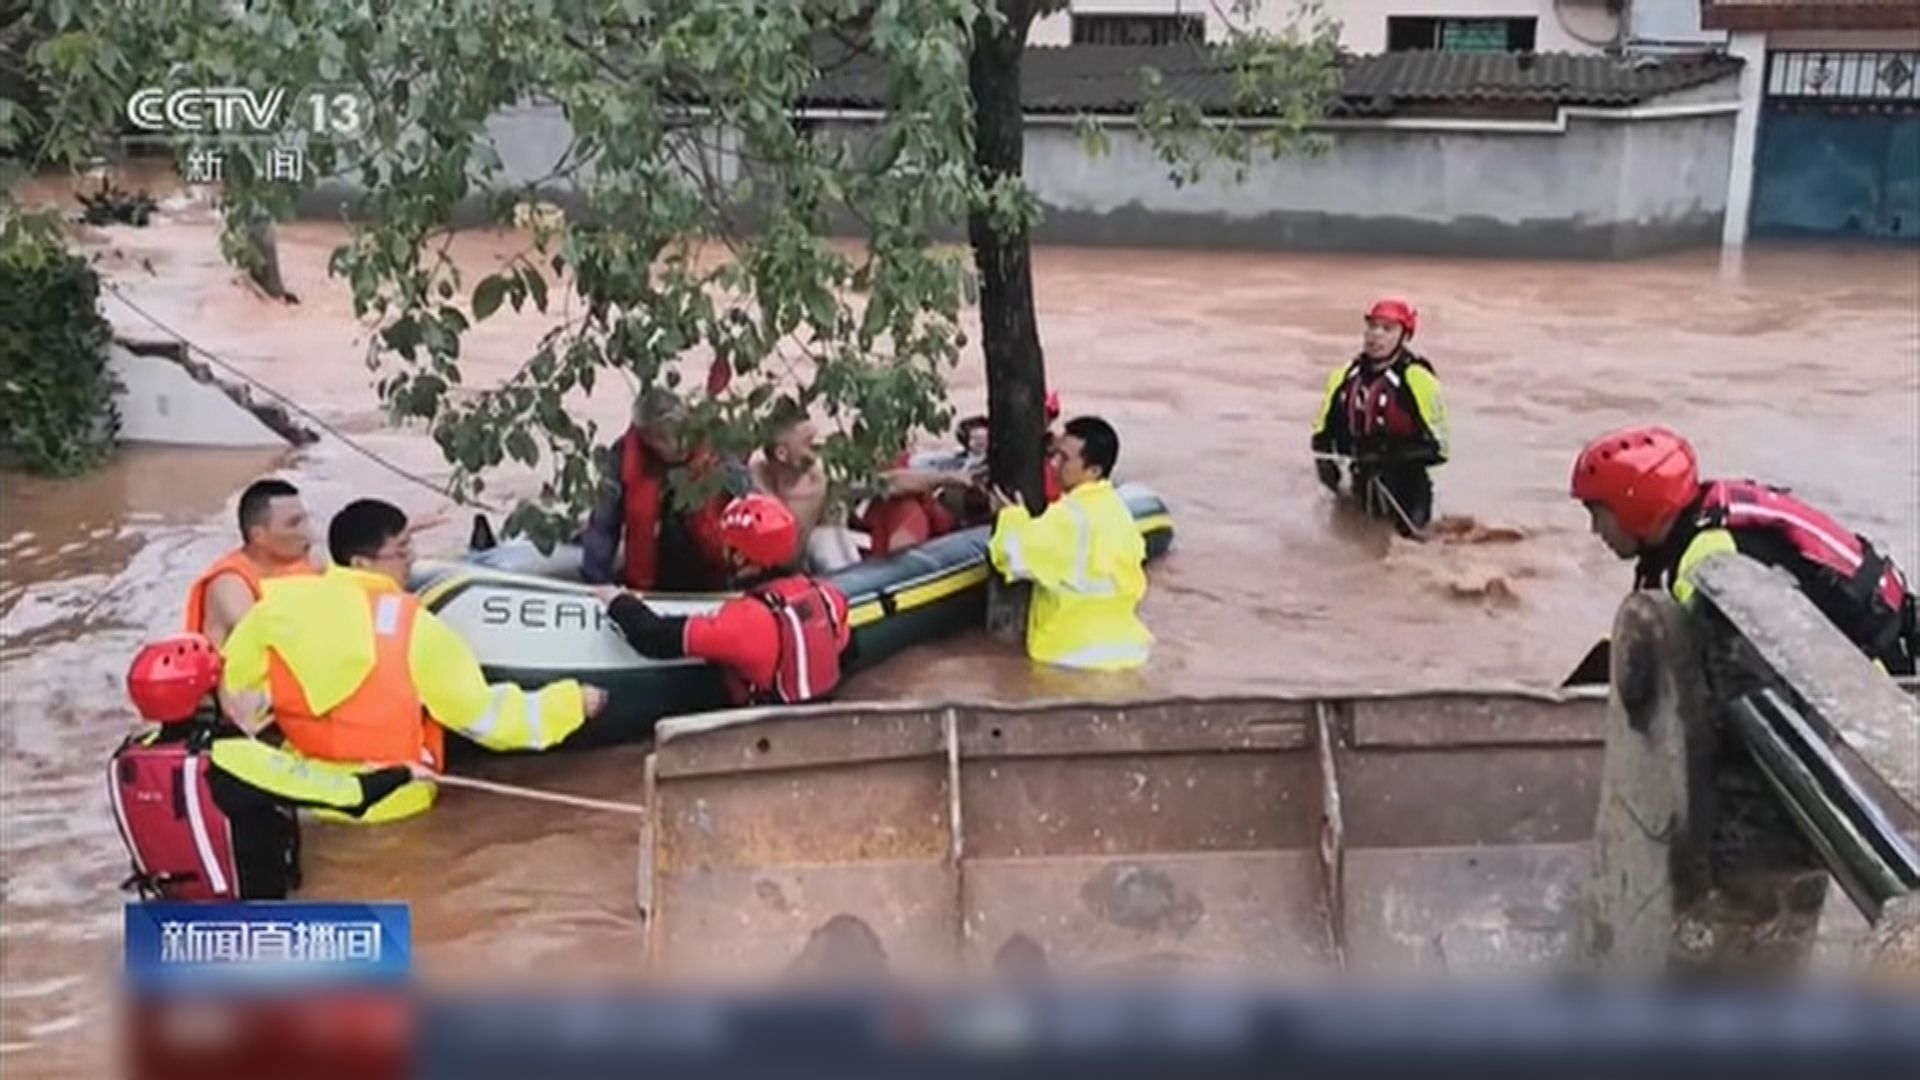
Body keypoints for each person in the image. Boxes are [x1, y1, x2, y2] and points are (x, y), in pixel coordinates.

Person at [221, 499, 609, 822]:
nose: (411, 561)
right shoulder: (412, 627)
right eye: (401, 551)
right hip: (393, 805)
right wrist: (571, 703)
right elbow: (483, 717)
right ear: (361, 563)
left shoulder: (278, 611)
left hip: (307, 797)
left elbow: (231, 696)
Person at [1571, 425, 1917, 676]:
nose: (1595, 530)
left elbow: (1709, 663)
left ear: (1637, 505)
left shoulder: (1711, 559)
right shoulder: (1684, 529)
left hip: (1874, 674)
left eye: (1599, 515)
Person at [109, 634, 417, 900]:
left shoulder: (127, 757)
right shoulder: (234, 756)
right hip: (252, 909)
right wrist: (404, 772)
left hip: (170, 911)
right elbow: (351, 797)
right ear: (206, 696)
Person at [597, 494, 852, 705]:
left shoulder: (745, 621)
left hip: (768, 735)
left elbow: (653, 637)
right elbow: (845, 648)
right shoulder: (828, 596)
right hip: (820, 717)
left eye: (728, 547)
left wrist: (617, 601)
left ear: (741, 558)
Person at [987, 415, 1152, 671]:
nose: (1053, 464)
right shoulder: (1118, 511)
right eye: (1055, 454)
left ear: (1093, 470)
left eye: (1064, 458)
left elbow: (1012, 557)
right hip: (1130, 652)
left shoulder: (1069, 517)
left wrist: (1010, 516)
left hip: (1071, 656)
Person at [581, 386, 749, 591]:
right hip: (650, 579)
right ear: (646, 438)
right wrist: (596, 581)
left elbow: (747, 502)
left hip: (712, 574)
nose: (674, 444)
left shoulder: (718, 446)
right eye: (659, 437)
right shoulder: (624, 455)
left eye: (676, 433)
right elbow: (604, 521)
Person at [1311, 298, 1450, 536]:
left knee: (1410, 556)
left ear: (1404, 337)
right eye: (1372, 326)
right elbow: (1322, 435)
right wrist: (1327, 467)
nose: (1375, 335)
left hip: (1407, 492)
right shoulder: (1344, 376)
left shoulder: (1419, 379)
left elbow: (1439, 449)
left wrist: (1387, 456)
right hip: (1359, 486)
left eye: (1387, 329)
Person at [182, 478, 318, 646]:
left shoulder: (311, 563)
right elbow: (266, 641)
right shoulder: (231, 585)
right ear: (258, 536)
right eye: (293, 524)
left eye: (306, 520)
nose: (308, 533)